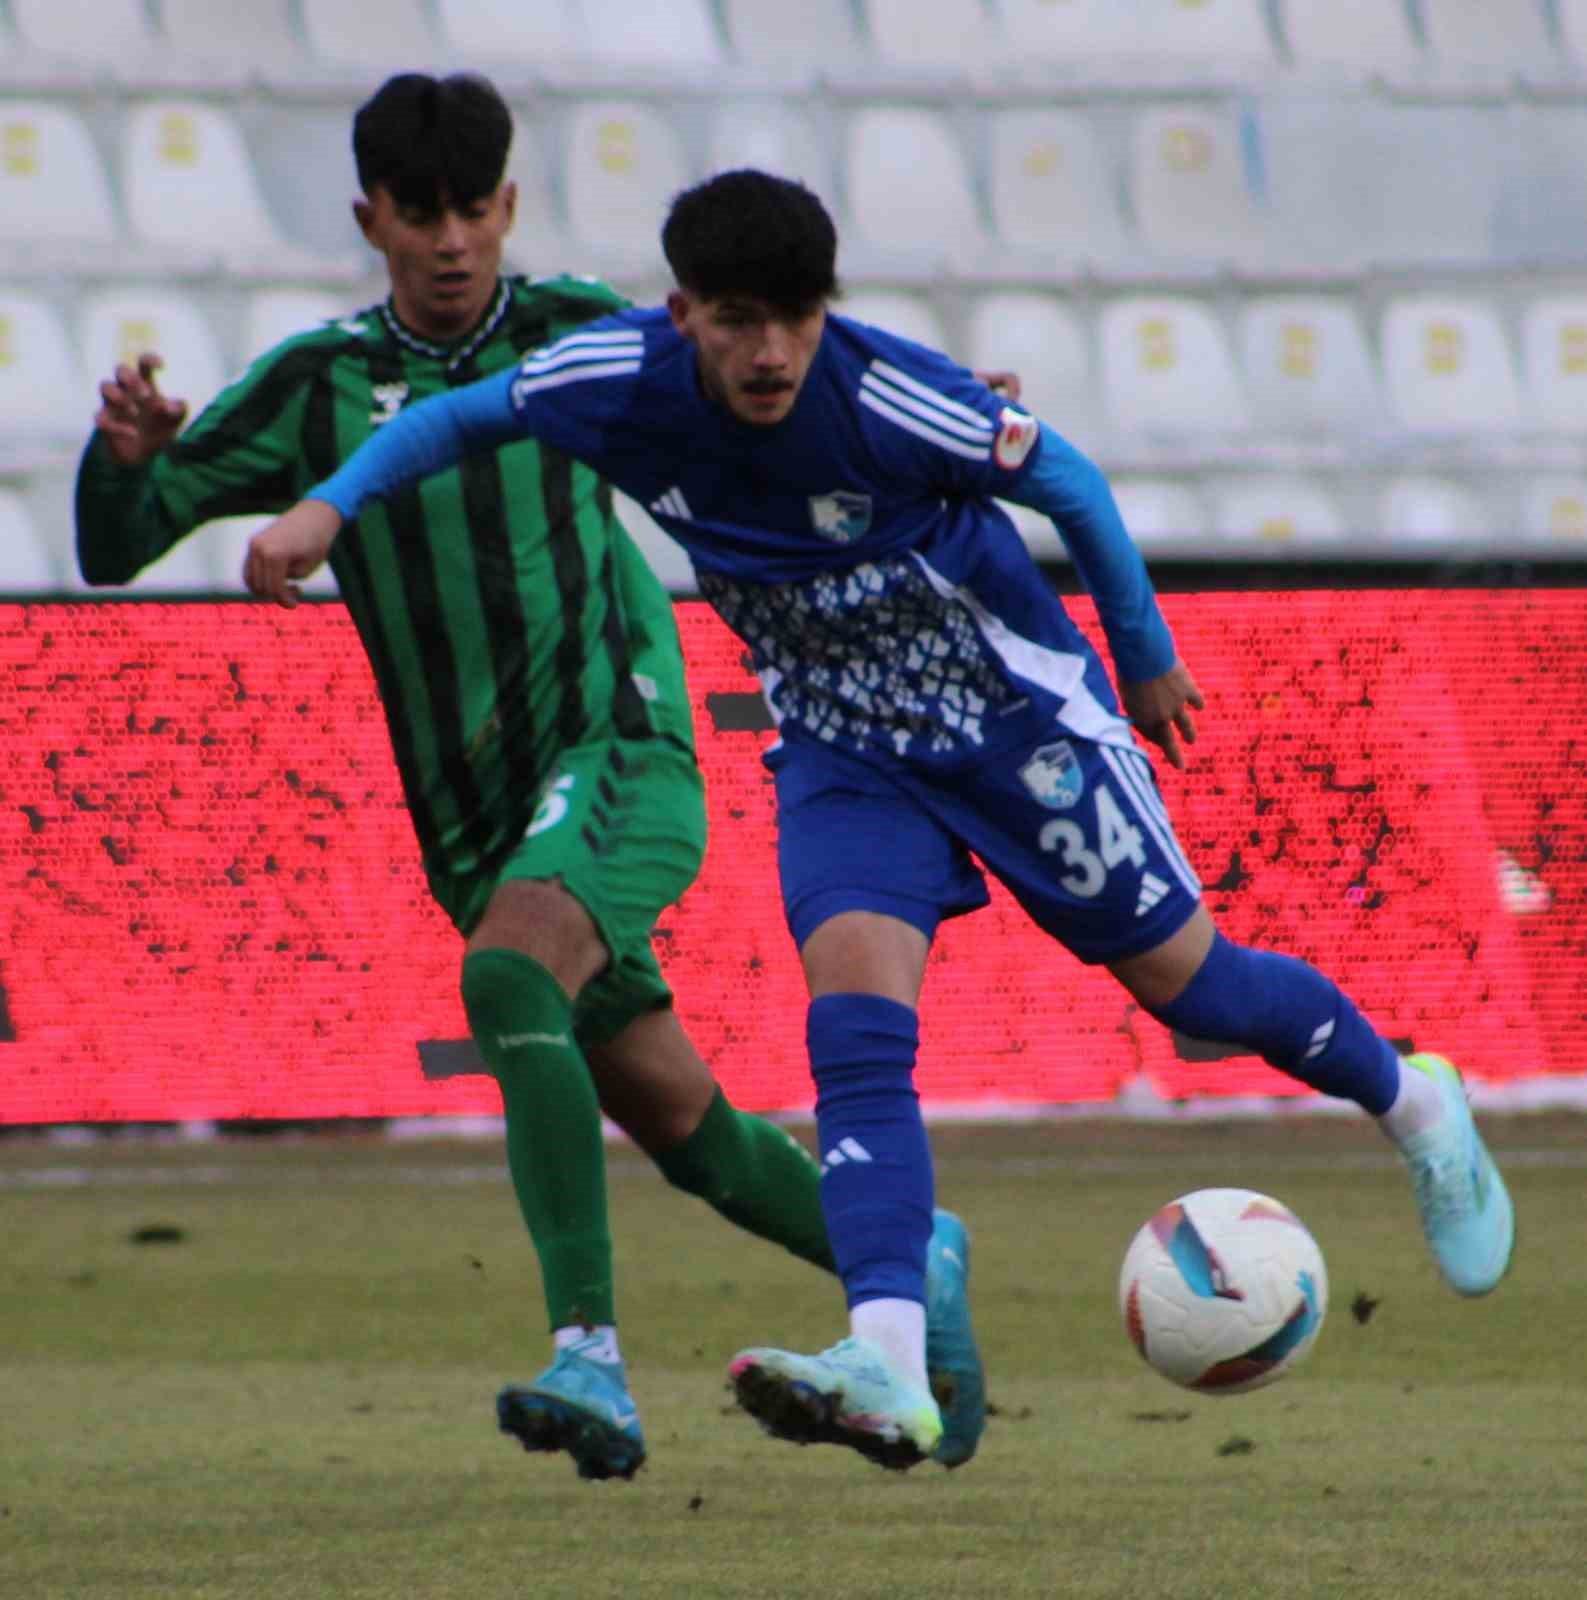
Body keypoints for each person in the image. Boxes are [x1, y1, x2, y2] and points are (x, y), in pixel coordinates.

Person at [242, 168, 1515, 1473]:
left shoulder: (885, 389)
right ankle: (891, 1365)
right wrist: (325, 506)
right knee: (855, 1035)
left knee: (1192, 991)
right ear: (684, 313)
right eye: (739, 318)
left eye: (795, 315)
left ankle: (1416, 1105)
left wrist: (1141, 656)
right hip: (846, 754)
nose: (772, 348)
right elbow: (454, 419)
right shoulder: (613, 378)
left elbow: (1065, 479)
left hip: (1017, 729)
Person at [75, 88, 991, 1481]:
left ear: (508, 207)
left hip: (620, 745)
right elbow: (116, 543)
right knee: (690, 1132)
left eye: (474, 208)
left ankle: (592, 1357)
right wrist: (122, 460)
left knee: (508, 982)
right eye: (419, 213)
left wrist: (958, 431)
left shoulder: (593, 337)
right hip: (478, 821)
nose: (451, 241)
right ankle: (912, 1265)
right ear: (369, 220)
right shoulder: (313, 386)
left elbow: (789, 384)